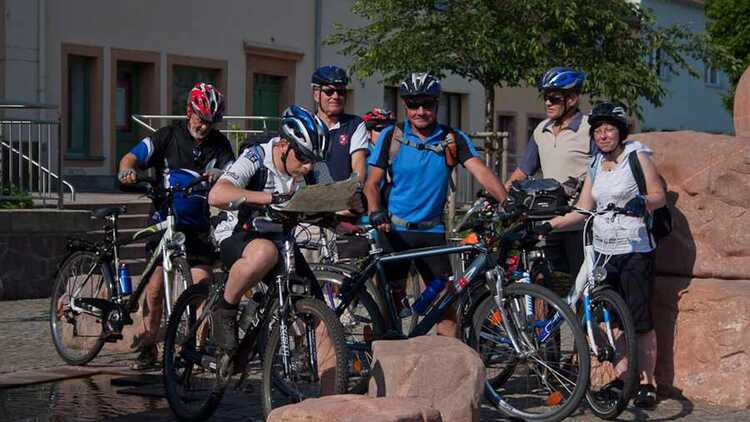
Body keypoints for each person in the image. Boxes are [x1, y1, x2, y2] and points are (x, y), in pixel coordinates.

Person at [539, 102, 664, 409]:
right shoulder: (595, 164)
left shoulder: (637, 156)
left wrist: (643, 202)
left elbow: (659, 195)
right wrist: (548, 225)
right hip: (603, 253)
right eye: (597, 131)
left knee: (640, 320)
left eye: (609, 130)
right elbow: (583, 208)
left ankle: (648, 383)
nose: (603, 136)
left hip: (634, 249)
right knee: (612, 320)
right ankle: (623, 378)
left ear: (621, 132)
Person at [363, 73, 507, 337]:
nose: (420, 111)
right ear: (405, 106)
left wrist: (507, 202)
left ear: (436, 105)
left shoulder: (452, 138)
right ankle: (379, 363)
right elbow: (371, 184)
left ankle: (446, 371)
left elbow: (482, 172)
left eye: (427, 105)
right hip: (394, 231)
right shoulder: (390, 136)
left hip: (432, 233)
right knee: (388, 310)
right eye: (414, 105)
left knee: (445, 304)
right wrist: (375, 210)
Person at [118, 82, 235, 370]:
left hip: (197, 226)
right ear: (189, 112)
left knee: (202, 288)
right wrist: (127, 169)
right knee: (155, 289)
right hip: (164, 221)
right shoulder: (167, 136)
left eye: (210, 121)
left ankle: (195, 350)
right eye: (200, 118)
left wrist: (222, 175)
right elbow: (131, 157)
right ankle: (147, 346)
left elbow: (235, 173)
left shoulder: (219, 144)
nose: (204, 126)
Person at [207, 105, 330, 353]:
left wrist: (351, 205)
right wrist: (267, 197)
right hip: (237, 235)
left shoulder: (310, 170)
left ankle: (331, 392)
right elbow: (217, 194)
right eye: (303, 157)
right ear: (284, 145)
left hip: (281, 242)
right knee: (264, 252)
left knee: (324, 321)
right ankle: (225, 309)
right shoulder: (255, 157)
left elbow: (329, 197)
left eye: (313, 160)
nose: (308, 167)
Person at [505, 66, 591, 286]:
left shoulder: (590, 128)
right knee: (541, 283)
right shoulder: (541, 129)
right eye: (545, 98)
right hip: (548, 222)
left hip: (580, 225)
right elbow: (523, 171)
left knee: (584, 289)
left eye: (554, 98)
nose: (547, 103)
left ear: (572, 99)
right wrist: (502, 194)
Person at [311, 65, 369, 183]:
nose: (336, 96)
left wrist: (350, 189)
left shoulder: (355, 124)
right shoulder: (306, 125)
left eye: (341, 91)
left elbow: (358, 167)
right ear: (316, 95)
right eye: (329, 91)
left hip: (344, 196)